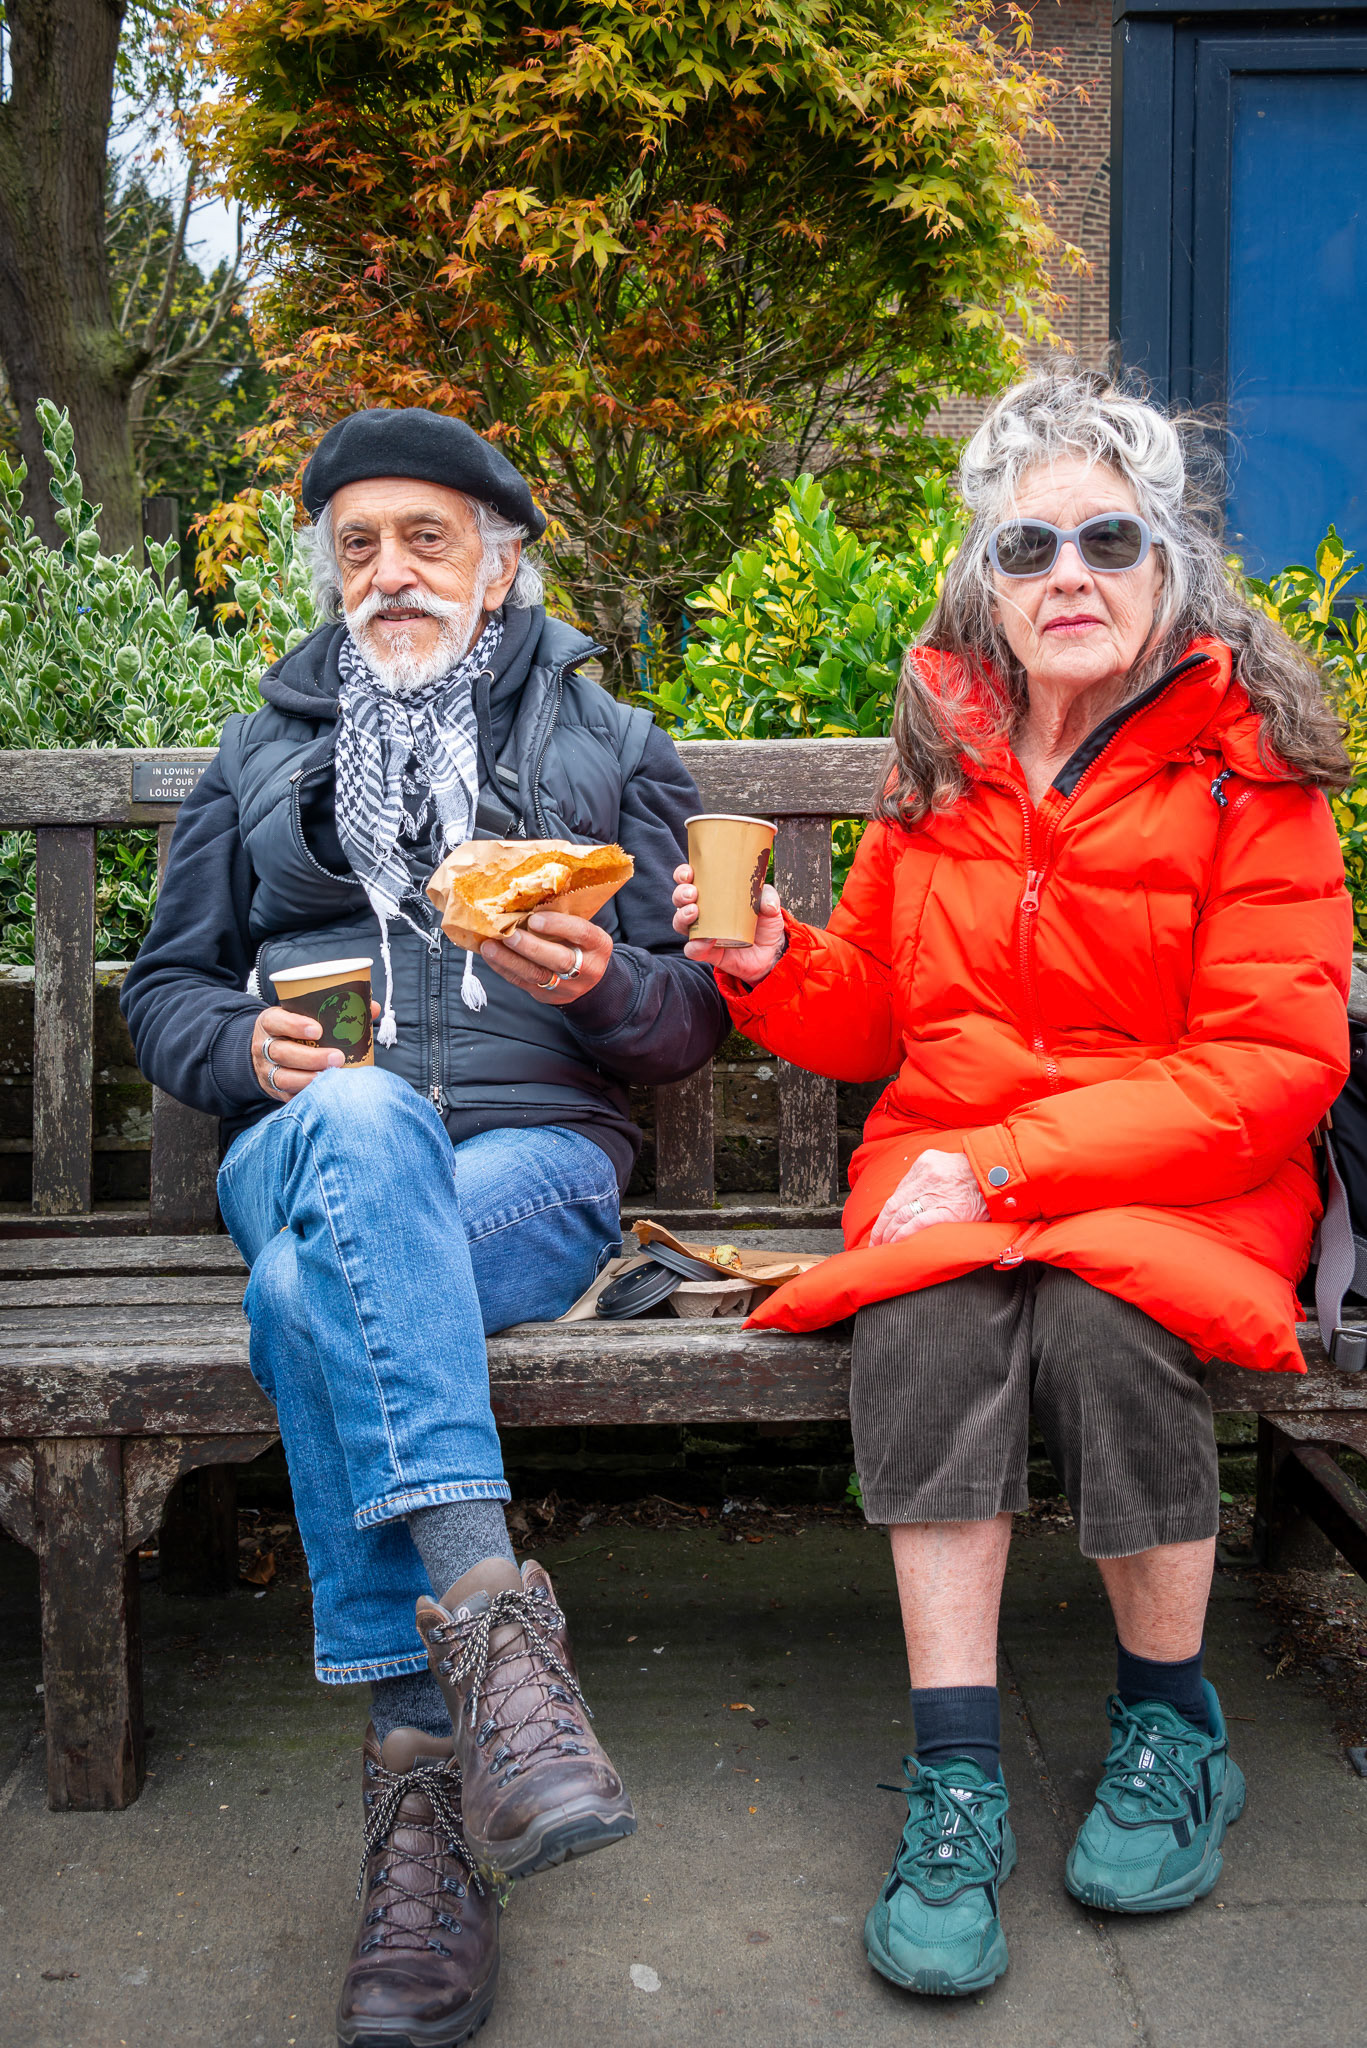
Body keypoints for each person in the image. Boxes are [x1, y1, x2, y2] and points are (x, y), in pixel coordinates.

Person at [673, 369, 1353, 1997]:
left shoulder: (1251, 774)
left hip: (1180, 1169)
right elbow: (879, 1022)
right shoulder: (951, 756)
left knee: (1114, 1328)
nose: (1068, 574)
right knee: (928, 1330)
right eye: (1027, 544)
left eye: (1106, 539)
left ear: (1166, 562)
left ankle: (1169, 1724)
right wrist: (772, 964)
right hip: (958, 1172)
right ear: (985, 574)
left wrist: (1006, 1156)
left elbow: (1271, 1066)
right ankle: (961, 1775)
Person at [122, 406, 729, 2048]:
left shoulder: (610, 744)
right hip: (303, 1147)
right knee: (364, 1124)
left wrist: (607, 980)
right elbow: (164, 990)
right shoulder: (257, 755)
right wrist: (234, 1046)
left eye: (428, 539)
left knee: (322, 1293)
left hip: (532, 1173)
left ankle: (422, 1803)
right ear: (331, 571)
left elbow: (691, 1022)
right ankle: (501, 1658)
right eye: (360, 546)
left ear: (501, 560)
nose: (391, 573)